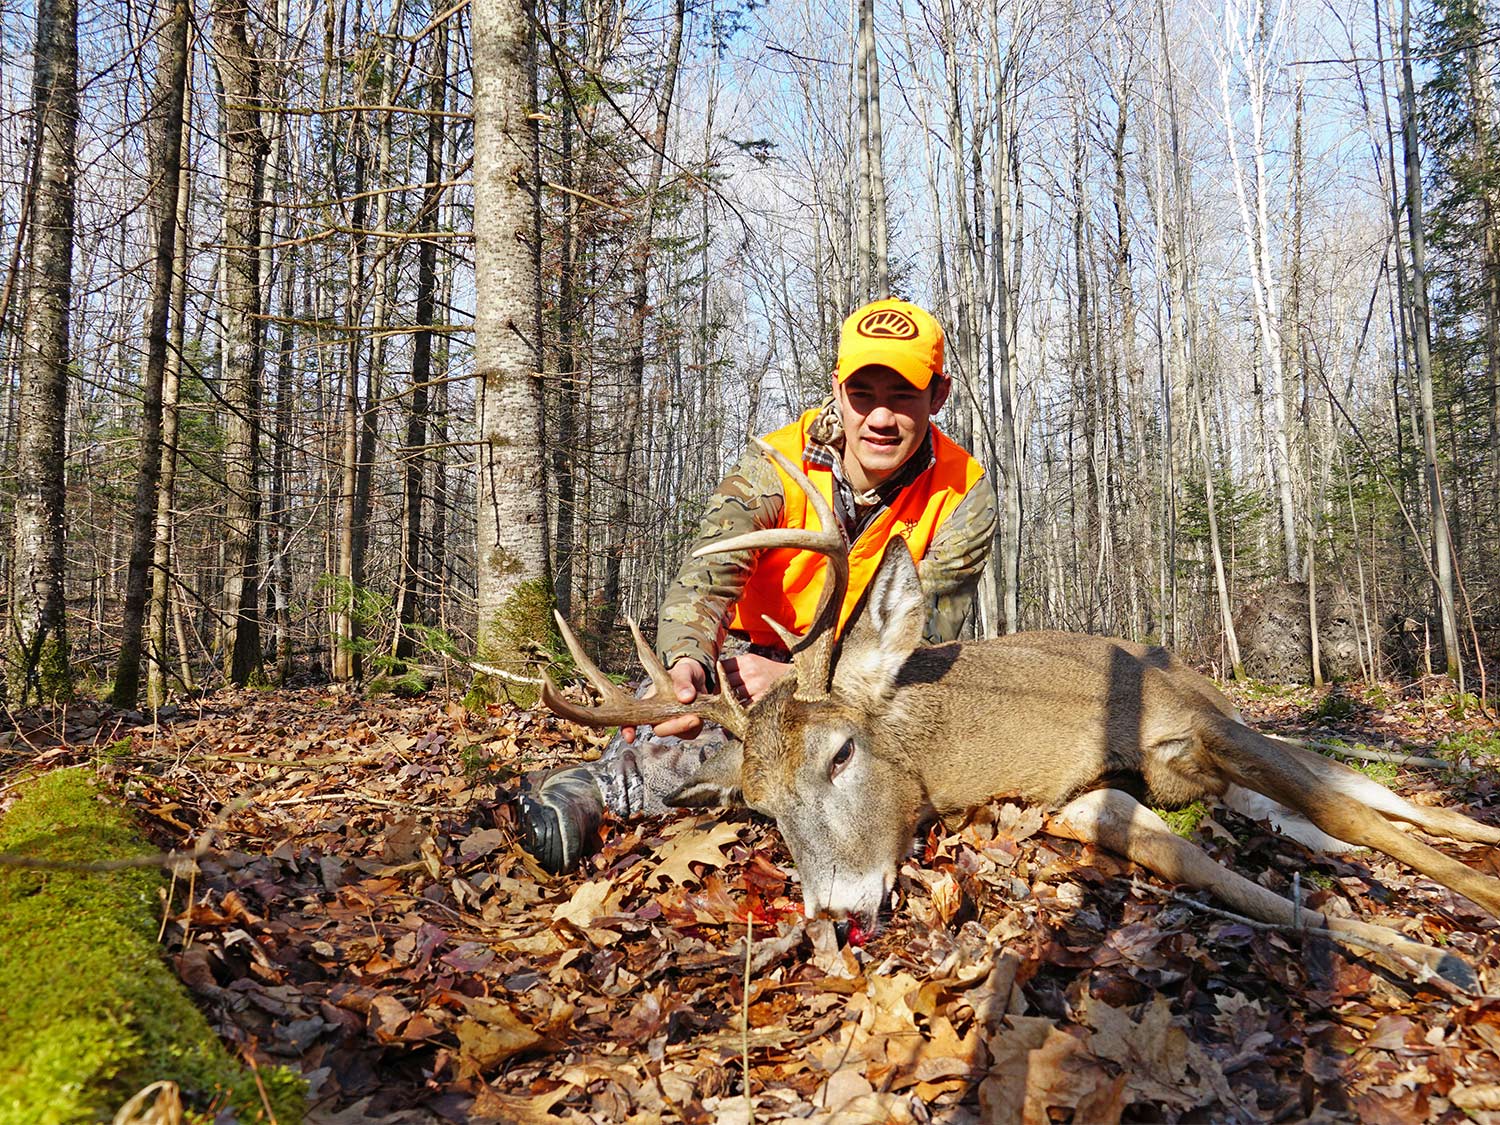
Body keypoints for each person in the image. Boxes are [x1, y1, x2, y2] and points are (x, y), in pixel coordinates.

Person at [519, 298, 998, 872]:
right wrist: (687, 664)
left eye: (902, 397)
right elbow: (706, 577)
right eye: (863, 395)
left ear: (937, 397)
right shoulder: (775, 463)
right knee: (689, 710)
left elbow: (920, 640)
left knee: (835, 751)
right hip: (747, 657)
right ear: (838, 389)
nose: (880, 418)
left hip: (871, 678)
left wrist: (798, 680)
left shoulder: (963, 494)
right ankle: (613, 774)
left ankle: (607, 789)